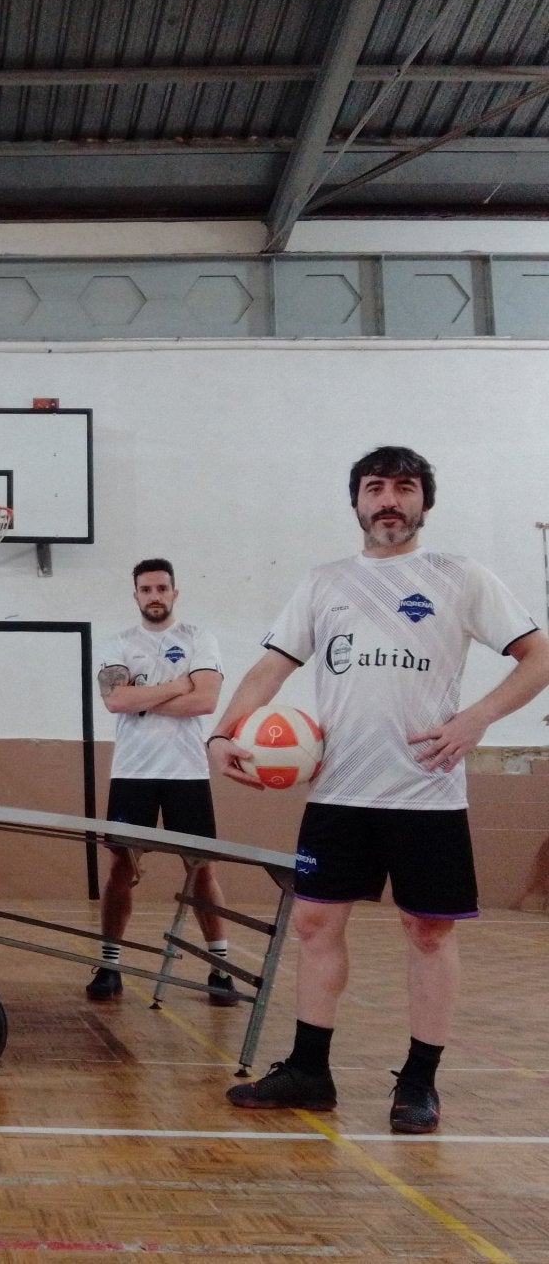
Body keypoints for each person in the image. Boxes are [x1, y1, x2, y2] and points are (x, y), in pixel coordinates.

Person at [209, 446, 549, 1133]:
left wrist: (477, 717)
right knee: (313, 925)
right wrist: (222, 733)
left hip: (427, 794)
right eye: (375, 487)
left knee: (427, 931)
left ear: (424, 499)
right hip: (338, 795)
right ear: (356, 500)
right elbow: (269, 669)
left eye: (403, 487)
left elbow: (538, 655)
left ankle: (419, 1081)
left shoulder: (461, 577)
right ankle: (310, 1069)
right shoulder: (324, 582)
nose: (389, 499)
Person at [91, 559, 239, 1006]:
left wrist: (144, 696)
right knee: (121, 868)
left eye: (161, 588)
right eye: (145, 589)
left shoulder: (199, 638)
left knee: (201, 869)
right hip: (133, 773)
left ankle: (220, 969)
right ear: (135, 595)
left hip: (186, 773)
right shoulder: (119, 643)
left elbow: (206, 700)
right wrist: (178, 685)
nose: (154, 595)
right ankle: (109, 965)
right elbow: (116, 700)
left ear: (175, 593)